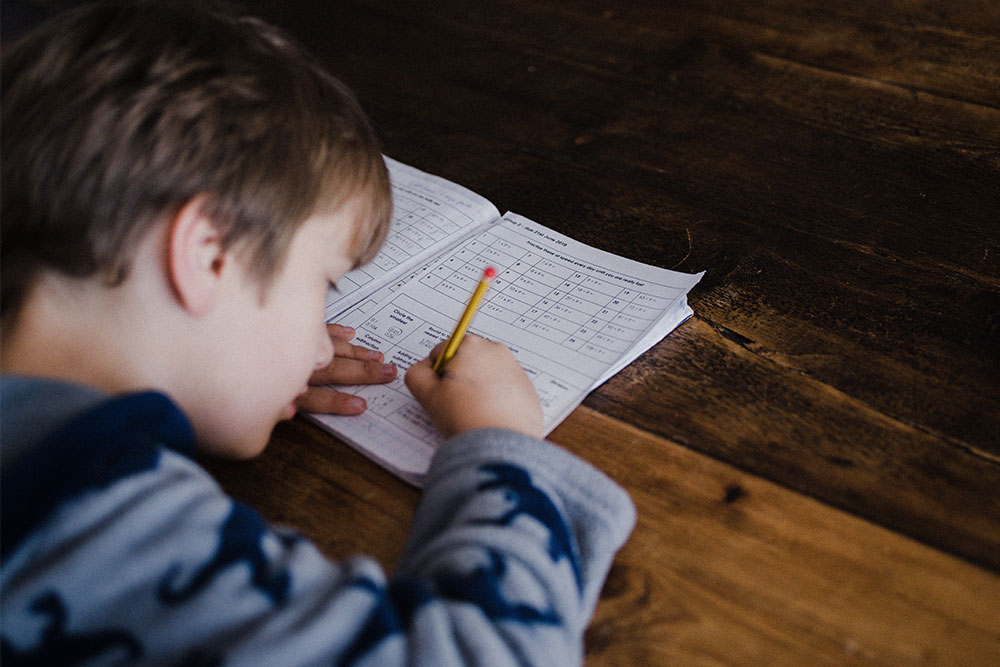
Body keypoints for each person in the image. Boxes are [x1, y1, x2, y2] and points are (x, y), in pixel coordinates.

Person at [0, 3, 636, 665]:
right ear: (209, 255)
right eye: (324, 283)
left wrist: (219, 371)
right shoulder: (93, 523)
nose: (321, 345)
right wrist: (499, 447)